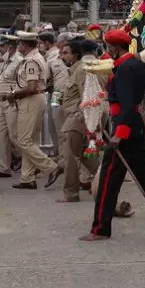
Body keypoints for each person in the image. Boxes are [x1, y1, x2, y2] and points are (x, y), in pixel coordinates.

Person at [81, 29, 145, 241]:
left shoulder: (125, 68)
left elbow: (127, 105)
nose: (107, 50)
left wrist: (119, 134)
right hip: (135, 127)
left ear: (115, 48)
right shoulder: (134, 64)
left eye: (109, 46)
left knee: (109, 179)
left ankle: (100, 229)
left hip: (124, 129)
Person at [3, 32, 60, 190]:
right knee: (31, 139)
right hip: (36, 98)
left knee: (24, 140)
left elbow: (31, 86)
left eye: (20, 43)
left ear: (25, 45)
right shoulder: (38, 57)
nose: (18, 46)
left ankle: (51, 167)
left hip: (31, 99)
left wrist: (13, 94)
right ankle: (27, 178)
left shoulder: (31, 60)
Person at [56, 38, 98, 202]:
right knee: (86, 156)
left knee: (70, 157)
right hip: (76, 117)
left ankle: (71, 193)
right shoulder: (75, 70)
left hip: (76, 118)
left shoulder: (80, 70)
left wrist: (82, 119)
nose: (62, 56)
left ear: (75, 55)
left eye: (66, 53)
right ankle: (107, 178)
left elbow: (87, 95)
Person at [0, 34, 21, 179]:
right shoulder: (4, 59)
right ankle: (4, 167)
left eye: (4, 46)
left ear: (11, 46)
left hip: (12, 101)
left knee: (14, 135)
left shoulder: (19, 61)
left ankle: (30, 162)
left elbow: (22, 82)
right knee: (0, 132)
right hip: (0, 100)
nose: (1, 48)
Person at [40, 31, 69, 158]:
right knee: (54, 124)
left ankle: (64, 155)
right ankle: (60, 153)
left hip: (65, 94)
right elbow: (47, 77)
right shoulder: (52, 57)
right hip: (55, 94)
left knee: (60, 125)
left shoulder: (67, 57)